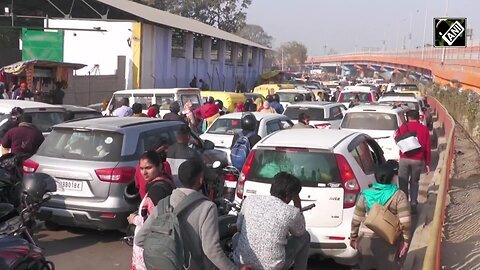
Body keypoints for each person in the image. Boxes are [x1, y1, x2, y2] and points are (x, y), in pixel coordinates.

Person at [135, 158, 251, 270]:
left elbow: (139, 239)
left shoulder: (163, 203)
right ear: (200, 179)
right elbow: (211, 250)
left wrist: (168, 253)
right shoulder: (207, 207)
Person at [233, 172, 310, 270]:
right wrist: (297, 203)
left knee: (236, 236)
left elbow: (239, 227)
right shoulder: (291, 212)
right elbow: (300, 232)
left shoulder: (250, 200)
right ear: (288, 195)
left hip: (242, 263)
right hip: (272, 267)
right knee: (306, 236)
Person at [350, 163, 412, 270]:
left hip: (366, 241)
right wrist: (406, 241)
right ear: (392, 177)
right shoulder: (399, 195)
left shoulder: (365, 195)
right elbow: (406, 222)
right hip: (388, 241)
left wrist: (353, 237)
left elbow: (356, 219)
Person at [128, 151, 175, 270]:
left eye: (149, 168)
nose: (144, 172)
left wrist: (134, 219)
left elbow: (155, 221)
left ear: (159, 166)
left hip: (150, 247)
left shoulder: (158, 190)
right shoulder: (163, 183)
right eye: (142, 168)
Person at [395, 110, 431, 214]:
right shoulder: (424, 129)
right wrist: (427, 163)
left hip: (404, 158)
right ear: (418, 117)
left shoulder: (403, 127)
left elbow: (398, 140)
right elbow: (427, 148)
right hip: (418, 160)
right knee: (414, 182)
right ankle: (414, 202)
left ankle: (404, 204)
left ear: (408, 118)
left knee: (403, 182)